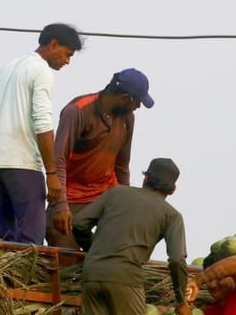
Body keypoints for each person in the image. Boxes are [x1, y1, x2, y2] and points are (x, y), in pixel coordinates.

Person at [72, 158, 190, 315]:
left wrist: (94, 250)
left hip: (92, 274)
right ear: (172, 190)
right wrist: (182, 300)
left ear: (145, 178)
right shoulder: (171, 215)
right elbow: (177, 260)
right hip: (127, 279)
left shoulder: (116, 193)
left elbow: (79, 223)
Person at [0, 22, 83, 244]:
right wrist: (51, 173)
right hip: (23, 164)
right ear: (54, 44)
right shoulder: (41, 71)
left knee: (4, 238)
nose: (67, 61)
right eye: (67, 54)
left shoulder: (9, 66)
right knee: (30, 241)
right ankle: (22, 279)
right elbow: (42, 122)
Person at [47, 68, 155, 248]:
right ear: (126, 98)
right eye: (137, 102)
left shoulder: (128, 118)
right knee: (63, 250)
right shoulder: (77, 111)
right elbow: (59, 160)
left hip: (106, 193)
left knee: (118, 248)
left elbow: (122, 165)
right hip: (72, 196)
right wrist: (60, 206)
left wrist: (124, 204)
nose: (137, 107)